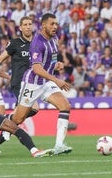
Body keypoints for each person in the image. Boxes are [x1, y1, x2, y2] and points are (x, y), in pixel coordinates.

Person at [0, 16, 39, 144]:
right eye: (25, 24)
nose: (27, 26)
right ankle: (7, 120)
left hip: (33, 84)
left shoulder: (36, 44)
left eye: (29, 24)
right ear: (20, 28)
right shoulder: (15, 43)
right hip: (19, 83)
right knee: (34, 108)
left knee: (18, 119)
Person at [17, 13, 73, 155]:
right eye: (52, 24)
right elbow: (36, 68)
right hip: (32, 83)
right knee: (18, 118)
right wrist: (56, 80)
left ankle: (59, 146)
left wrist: (56, 65)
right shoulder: (37, 42)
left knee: (65, 106)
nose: (55, 27)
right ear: (43, 25)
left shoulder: (54, 39)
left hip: (46, 82)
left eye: (56, 24)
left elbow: (50, 61)